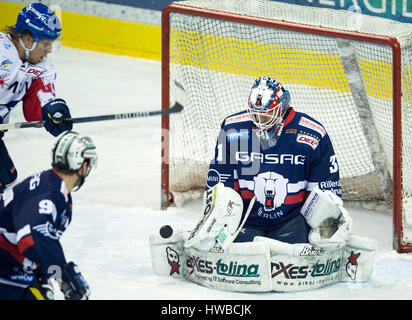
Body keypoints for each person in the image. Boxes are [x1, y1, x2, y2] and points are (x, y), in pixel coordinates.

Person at [206, 75, 342, 244]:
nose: (260, 120)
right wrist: (219, 218)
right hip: (245, 220)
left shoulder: (312, 133)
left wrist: (324, 222)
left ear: (283, 106)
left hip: (292, 220)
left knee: (300, 261)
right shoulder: (232, 128)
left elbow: (324, 188)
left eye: (267, 114)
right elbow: (221, 180)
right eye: (255, 114)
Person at [0, 131, 97, 300]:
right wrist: (63, 274)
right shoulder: (51, 193)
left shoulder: (48, 183)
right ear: (82, 165)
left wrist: (42, 272)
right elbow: (31, 237)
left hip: (12, 269)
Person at [0, 3, 72, 192]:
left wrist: (52, 112)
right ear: (28, 38)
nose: (49, 50)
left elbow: (39, 105)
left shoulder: (42, 67)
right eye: (46, 43)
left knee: (9, 188)